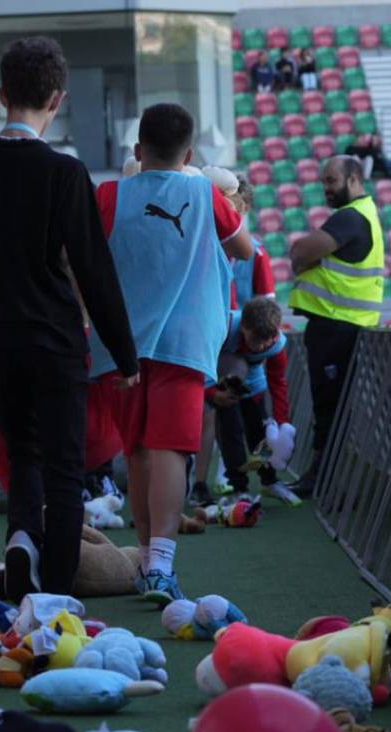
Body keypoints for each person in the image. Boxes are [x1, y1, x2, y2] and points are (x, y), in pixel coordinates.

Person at [0, 37, 138, 601]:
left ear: (1, 94)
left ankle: (23, 540)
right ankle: (54, 594)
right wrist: (123, 355)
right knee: (65, 469)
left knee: (22, 452)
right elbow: (95, 272)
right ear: (58, 99)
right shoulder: (66, 174)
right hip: (53, 337)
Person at [90, 102, 253, 606]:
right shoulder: (205, 192)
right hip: (184, 342)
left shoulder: (108, 194)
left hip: (119, 346)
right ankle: (160, 564)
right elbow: (244, 248)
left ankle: (145, 559)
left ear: (137, 150)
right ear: (189, 154)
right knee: (169, 452)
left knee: (138, 451)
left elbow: (82, 262)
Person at [286, 155, 384, 497]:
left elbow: (300, 251)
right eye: (324, 182)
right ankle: (322, 478)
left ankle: (328, 482)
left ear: (354, 179)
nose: (325, 188)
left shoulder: (351, 218)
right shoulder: (361, 215)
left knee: (331, 408)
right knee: (328, 406)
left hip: (338, 327)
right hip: (337, 326)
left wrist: (300, 257)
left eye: (331, 181)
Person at [211, 297, 295, 506]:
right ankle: (239, 488)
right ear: (243, 328)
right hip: (224, 384)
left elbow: (278, 383)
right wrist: (212, 394)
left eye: (267, 340)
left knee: (261, 435)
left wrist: (282, 422)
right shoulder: (223, 328)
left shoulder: (277, 345)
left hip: (255, 387)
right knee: (231, 436)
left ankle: (269, 481)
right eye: (255, 340)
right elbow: (202, 362)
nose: (261, 346)